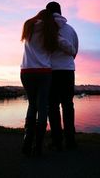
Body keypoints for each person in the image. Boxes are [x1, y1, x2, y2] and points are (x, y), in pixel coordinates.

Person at [20, 9, 75, 156]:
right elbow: (66, 45)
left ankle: (27, 140)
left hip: (26, 71)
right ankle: (38, 146)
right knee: (43, 107)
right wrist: (73, 52)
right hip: (44, 72)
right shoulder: (49, 32)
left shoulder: (28, 26)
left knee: (32, 105)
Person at [46, 1, 79, 150]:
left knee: (53, 106)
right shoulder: (71, 30)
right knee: (68, 105)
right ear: (60, 11)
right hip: (67, 71)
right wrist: (67, 61)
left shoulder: (45, 29)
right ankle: (70, 140)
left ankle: (57, 140)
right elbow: (75, 51)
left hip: (51, 71)